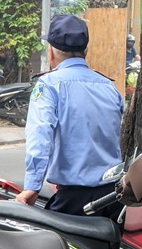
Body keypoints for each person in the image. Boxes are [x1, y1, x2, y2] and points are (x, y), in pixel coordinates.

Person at [16, 15, 124, 220]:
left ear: (51, 52)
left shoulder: (49, 85)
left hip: (74, 200)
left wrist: (32, 186)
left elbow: (40, 138)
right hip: (113, 196)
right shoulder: (109, 87)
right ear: (86, 51)